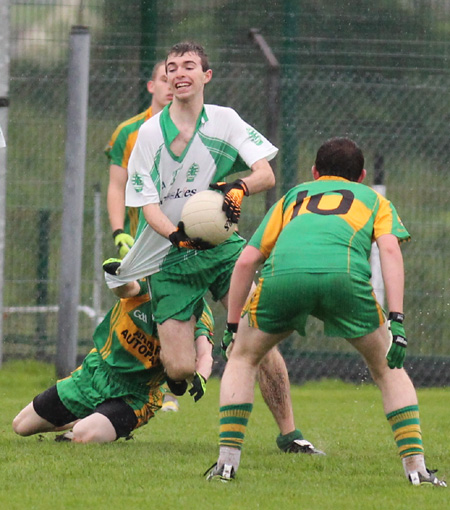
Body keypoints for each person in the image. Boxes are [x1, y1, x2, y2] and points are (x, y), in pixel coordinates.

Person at [104, 41, 322, 455]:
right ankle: (184, 360)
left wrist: (236, 187)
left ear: (206, 76)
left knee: (260, 338)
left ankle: (291, 435)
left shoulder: (224, 121)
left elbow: (265, 174)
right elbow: (147, 205)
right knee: (182, 368)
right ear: (165, 79)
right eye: (172, 67)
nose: (180, 72)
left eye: (189, 65)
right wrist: (176, 236)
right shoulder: (147, 134)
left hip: (221, 246)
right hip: (169, 257)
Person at [205, 137, 447, 487]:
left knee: (243, 358)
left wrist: (230, 326)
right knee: (388, 369)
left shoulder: (294, 197)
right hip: (344, 277)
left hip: (283, 278)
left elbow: (246, 261)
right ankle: (416, 470)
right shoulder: (374, 199)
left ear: (314, 172)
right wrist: (397, 319)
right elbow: (390, 252)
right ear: (361, 176)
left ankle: (226, 466)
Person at [12, 280, 214, 443]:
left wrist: (202, 376)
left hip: (136, 396)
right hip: (96, 373)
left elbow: (205, 353)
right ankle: (85, 418)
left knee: (83, 435)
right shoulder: (149, 284)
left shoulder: (199, 312)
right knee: (21, 426)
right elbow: (127, 288)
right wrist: (118, 274)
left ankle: (97, 423)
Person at [105, 60, 180, 412]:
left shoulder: (193, 129)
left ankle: (172, 384)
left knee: (175, 310)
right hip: (143, 242)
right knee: (138, 312)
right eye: (164, 79)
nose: (171, 85)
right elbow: (117, 185)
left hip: (183, 242)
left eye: (176, 79)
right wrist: (120, 232)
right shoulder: (129, 132)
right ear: (151, 86)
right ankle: (131, 385)